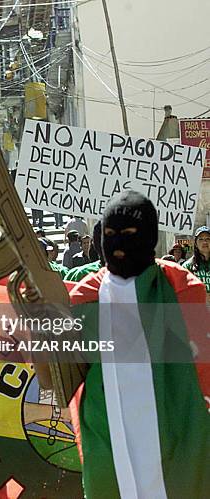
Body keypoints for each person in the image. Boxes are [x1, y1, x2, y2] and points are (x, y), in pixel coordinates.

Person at [66, 191, 209, 498]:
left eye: (130, 235)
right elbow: (60, 376)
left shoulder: (182, 289)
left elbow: (202, 372)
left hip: (177, 437)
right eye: (110, 235)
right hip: (108, 441)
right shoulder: (84, 296)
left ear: (149, 237)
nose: (118, 245)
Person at [183, 226, 210, 294]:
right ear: (196, 244)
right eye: (201, 239)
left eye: (208, 239)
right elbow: (183, 291)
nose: (205, 242)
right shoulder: (187, 266)